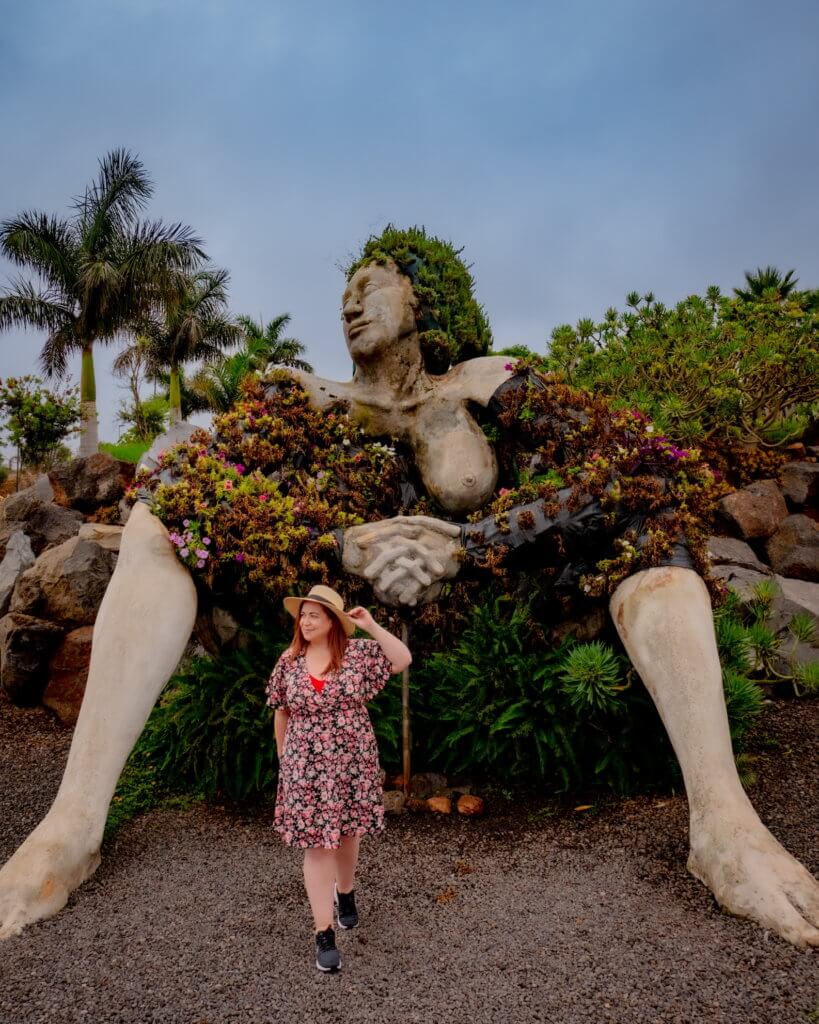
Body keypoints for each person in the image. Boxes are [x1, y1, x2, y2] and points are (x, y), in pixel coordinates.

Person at [265, 584, 411, 972]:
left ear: (332, 621)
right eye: (303, 614)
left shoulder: (358, 655)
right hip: (306, 766)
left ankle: (345, 893)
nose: (306, 620)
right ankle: (323, 932)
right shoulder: (289, 660)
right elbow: (280, 710)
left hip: (351, 760)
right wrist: (285, 760)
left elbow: (402, 658)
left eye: (315, 614)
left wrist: (372, 626)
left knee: (348, 833)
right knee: (317, 846)